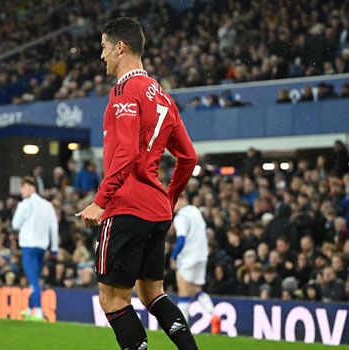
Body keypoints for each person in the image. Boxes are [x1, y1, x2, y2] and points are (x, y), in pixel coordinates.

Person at [76, 17, 198, 350]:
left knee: (113, 300)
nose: (102, 56)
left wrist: (101, 201)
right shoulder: (164, 97)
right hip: (157, 211)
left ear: (120, 47)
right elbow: (189, 158)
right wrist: (169, 199)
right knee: (152, 294)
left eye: (103, 47)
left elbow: (127, 154)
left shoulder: (125, 92)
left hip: (127, 208)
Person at [171, 193, 220, 333]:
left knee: (183, 293)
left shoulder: (181, 217)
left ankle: (182, 328)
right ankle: (213, 315)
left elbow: (181, 239)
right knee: (196, 289)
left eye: (174, 200)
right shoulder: (195, 211)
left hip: (188, 258)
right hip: (201, 256)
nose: (172, 205)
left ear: (182, 199)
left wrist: (173, 257)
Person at [12, 176, 59, 321]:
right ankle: (28, 309)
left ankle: (38, 312)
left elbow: (15, 224)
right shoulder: (47, 205)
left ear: (29, 187)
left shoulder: (25, 204)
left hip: (28, 247)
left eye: (22, 188)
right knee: (35, 280)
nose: (21, 191)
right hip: (42, 248)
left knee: (33, 281)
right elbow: (54, 227)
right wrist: (55, 247)